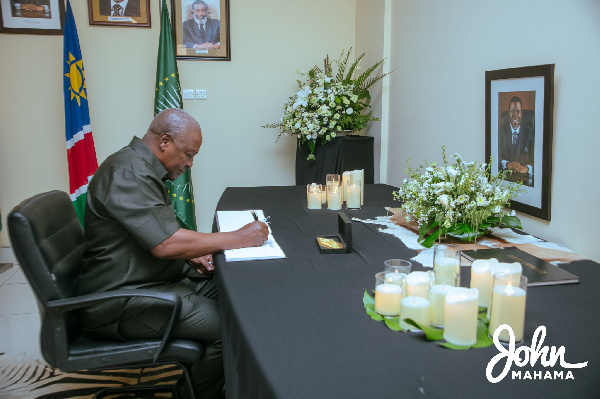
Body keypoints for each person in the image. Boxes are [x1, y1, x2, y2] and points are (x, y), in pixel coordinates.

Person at [76, 108, 268, 399]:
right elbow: (165, 243)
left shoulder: (138, 166)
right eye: (188, 154)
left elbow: (153, 230)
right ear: (165, 141)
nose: (189, 164)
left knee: (236, 296)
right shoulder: (128, 173)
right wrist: (238, 238)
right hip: (121, 299)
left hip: (147, 281)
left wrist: (191, 253)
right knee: (230, 330)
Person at [498, 95, 534, 179]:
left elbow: (537, 159)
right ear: (508, 113)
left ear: (521, 113)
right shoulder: (500, 131)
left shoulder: (530, 132)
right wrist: (507, 164)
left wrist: (528, 168)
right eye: (512, 111)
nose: (515, 115)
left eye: (518, 111)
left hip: (524, 179)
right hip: (504, 178)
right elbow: (494, 155)